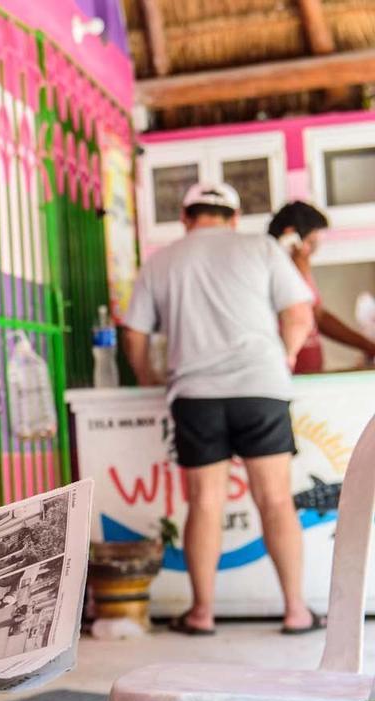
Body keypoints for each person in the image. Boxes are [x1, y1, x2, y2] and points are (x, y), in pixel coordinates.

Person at [122, 182, 323, 636]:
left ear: (186, 218)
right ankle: (295, 611)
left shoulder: (161, 259)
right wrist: (285, 358)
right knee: (275, 500)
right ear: (233, 218)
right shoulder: (261, 247)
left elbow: (133, 334)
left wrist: (146, 377)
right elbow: (299, 314)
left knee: (205, 504)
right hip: (260, 388)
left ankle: (201, 613)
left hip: (196, 396)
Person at [267, 200, 375, 373]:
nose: (313, 252)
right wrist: (369, 346)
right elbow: (318, 316)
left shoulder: (299, 270)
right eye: (311, 243)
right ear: (291, 237)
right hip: (289, 375)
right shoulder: (274, 271)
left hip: (308, 373)